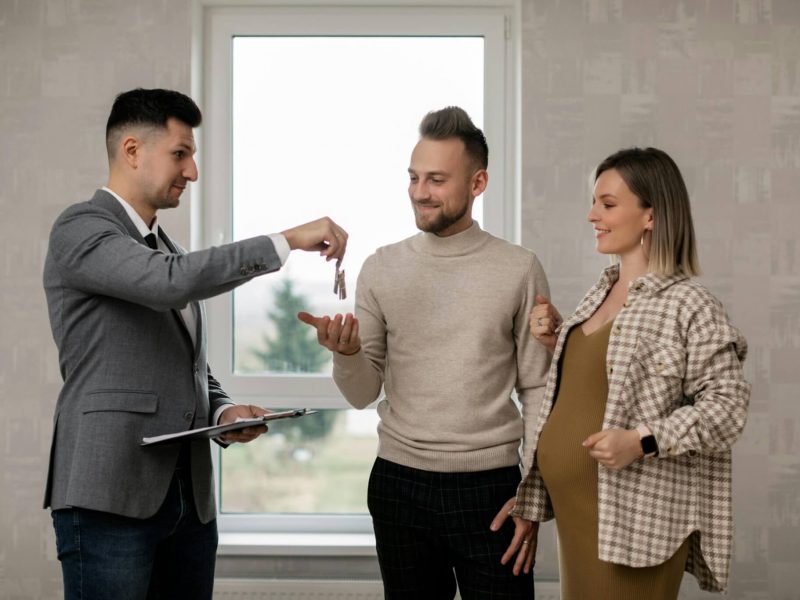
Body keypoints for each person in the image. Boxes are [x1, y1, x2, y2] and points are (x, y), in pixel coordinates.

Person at [42, 88, 349, 600]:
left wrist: (224, 412)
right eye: (180, 154)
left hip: (188, 503)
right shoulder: (81, 229)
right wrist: (287, 240)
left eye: (193, 156)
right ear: (133, 151)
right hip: (109, 496)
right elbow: (171, 282)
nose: (192, 172)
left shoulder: (168, 250)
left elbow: (187, 364)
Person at [298, 106, 550, 599]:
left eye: (436, 179)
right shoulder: (382, 268)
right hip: (398, 484)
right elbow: (361, 393)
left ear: (478, 183)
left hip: (491, 489)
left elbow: (538, 386)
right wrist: (345, 355)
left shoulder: (518, 268)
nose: (419, 191)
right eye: (414, 177)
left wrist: (534, 493)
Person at [508, 147, 750, 599]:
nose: (592, 215)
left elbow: (728, 409)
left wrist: (642, 441)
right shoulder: (600, 291)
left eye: (608, 204)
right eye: (594, 202)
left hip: (634, 523)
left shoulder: (690, 304)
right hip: (580, 514)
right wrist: (558, 340)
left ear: (651, 216)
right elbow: (605, 381)